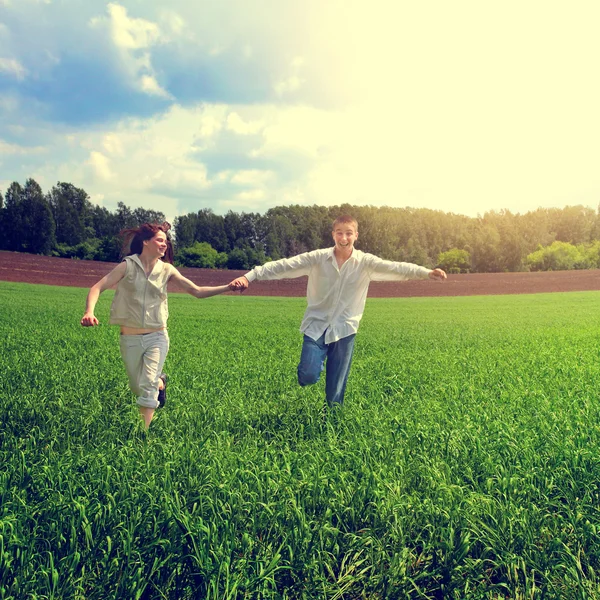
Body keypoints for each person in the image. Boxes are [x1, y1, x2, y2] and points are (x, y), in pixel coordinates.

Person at [232, 215, 447, 408]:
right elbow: (283, 266)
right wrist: (249, 276)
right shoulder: (316, 258)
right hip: (316, 325)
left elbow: (397, 268)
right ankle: (312, 369)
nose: (344, 238)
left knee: (335, 390)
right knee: (307, 375)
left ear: (356, 235)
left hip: (345, 329)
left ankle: (332, 425)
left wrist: (427, 272)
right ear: (333, 234)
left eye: (349, 233)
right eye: (339, 233)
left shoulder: (366, 263)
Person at [81, 222, 243, 428]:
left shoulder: (167, 270)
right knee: (137, 387)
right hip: (129, 337)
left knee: (146, 386)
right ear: (146, 242)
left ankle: (143, 435)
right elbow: (98, 287)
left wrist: (228, 287)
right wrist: (89, 311)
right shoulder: (127, 266)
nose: (165, 245)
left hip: (157, 336)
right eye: (160, 240)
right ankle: (161, 382)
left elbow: (197, 291)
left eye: (166, 242)